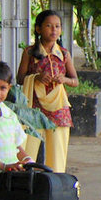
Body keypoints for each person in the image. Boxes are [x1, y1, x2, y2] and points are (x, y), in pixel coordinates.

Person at [17, 10, 78, 173]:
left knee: (57, 155)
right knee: (26, 150)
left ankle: (54, 186)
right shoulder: (29, 52)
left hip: (59, 108)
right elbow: (20, 78)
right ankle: (23, 183)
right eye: (49, 26)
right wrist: (36, 78)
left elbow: (75, 81)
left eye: (57, 26)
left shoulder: (64, 54)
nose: (54, 30)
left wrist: (64, 80)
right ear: (38, 29)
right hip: (34, 107)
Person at [0, 62, 34, 172]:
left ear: (9, 88)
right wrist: (3, 166)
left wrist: (28, 160)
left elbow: (17, 146)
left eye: (2, 88)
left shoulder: (9, 115)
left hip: (9, 177)